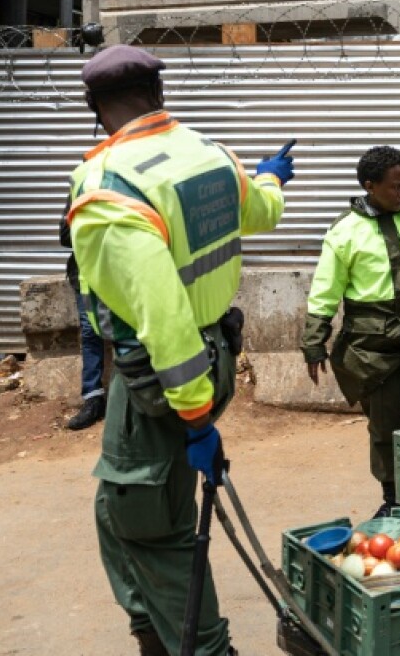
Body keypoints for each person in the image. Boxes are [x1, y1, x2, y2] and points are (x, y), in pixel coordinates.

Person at [67, 44, 291, 656]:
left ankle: (206, 649)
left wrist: (195, 418)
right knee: (117, 509)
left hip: (166, 378)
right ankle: (152, 631)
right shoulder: (210, 153)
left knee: (155, 527)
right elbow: (261, 213)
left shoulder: (109, 187)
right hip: (208, 357)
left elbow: (162, 317)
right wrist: (270, 175)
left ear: (93, 107)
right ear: (159, 94)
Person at [301, 146, 400, 518]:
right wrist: (314, 341)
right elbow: (325, 290)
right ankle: (393, 499)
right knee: (385, 426)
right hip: (372, 346)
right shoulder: (344, 231)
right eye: (394, 187)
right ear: (369, 186)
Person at [60, 203, 106, 431]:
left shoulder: (124, 188)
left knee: (132, 332)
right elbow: (64, 236)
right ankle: (93, 398)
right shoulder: (79, 192)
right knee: (90, 332)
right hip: (86, 275)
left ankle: (137, 395)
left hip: (121, 271)